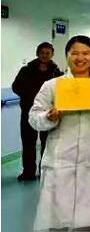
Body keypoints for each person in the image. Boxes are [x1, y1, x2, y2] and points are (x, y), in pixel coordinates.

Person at [29, 36, 90, 231]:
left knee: (87, 223)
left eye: (85, 53)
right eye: (74, 53)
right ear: (66, 55)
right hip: (60, 160)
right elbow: (33, 117)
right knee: (57, 219)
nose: (80, 58)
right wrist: (49, 116)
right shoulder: (52, 85)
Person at [12, 42, 62, 181]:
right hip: (28, 111)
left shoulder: (56, 72)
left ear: (52, 54)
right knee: (28, 142)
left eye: (48, 53)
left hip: (49, 113)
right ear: (37, 54)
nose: (45, 55)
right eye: (42, 53)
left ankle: (43, 171)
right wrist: (28, 97)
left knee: (47, 143)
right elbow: (16, 86)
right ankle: (28, 172)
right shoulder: (26, 70)